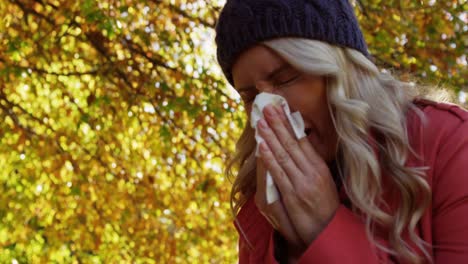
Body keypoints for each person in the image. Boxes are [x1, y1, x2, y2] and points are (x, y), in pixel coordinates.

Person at [214, 0, 468, 263]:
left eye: (287, 78)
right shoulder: (261, 207)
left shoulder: (448, 143)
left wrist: (324, 228)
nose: (268, 111)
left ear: (342, 71)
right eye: (251, 96)